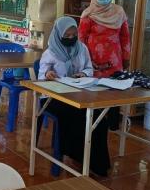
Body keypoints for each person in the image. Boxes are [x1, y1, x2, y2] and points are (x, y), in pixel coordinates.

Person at [38, 17, 110, 176]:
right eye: (67, 35)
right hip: (54, 98)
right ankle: (74, 154)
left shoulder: (82, 48)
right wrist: (48, 74)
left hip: (78, 95)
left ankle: (97, 164)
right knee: (76, 117)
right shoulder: (50, 53)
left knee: (99, 119)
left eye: (74, 35)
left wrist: (82, 74)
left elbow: (89, 69)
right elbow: (41, 78)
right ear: (58, 35)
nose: (71, 38)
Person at [79, 0, 131, 134]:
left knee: (114, 91)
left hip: (115, 60)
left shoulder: (119, 12)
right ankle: (94, 124)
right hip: (93, 60)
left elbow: (125, 37)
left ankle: (113, 125)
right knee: (94, 91)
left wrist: (126, 56)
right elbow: (81, 39)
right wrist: (85, 60)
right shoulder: (88, 14)